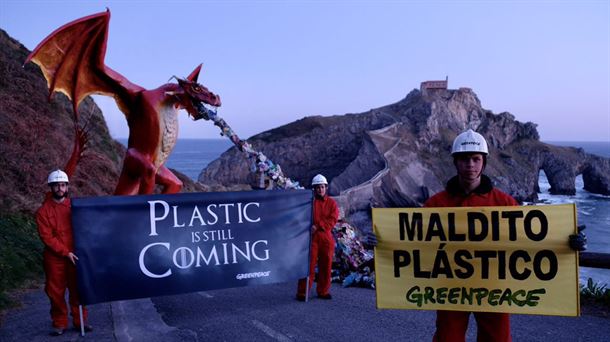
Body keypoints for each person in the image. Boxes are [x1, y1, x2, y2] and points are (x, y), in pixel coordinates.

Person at [423, 129, 587, 341]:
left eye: (475, 159)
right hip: (451, 287)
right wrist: (382, 242)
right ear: (456, 162)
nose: (470, 165)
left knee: (497, 339)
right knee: (448, 338)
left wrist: (569, 241)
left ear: (484, 162)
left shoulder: (505, 203)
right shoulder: (436, 204)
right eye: (464, 159)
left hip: (495, 287)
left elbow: (530, 239)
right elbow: (413, 240)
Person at [36, 128, 92, 336]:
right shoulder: (43, 211)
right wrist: (64, 252)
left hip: (76, 255)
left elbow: (88, 227)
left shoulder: (76, 206)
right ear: (51, 187)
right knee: (55, 292)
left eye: (63, 185)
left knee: (79, 290)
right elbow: (46, 237)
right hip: (56, 257)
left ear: (67, 187)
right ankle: (59, 323)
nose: (60, 188)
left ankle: (81, 322)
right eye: (56, 185)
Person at [296, 174, 339, 301]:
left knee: (326, 265)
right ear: (314, 189)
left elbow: (333, 219)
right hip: (311, 238)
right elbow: (302, 218)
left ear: (326, 187)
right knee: (308, 265)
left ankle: (323, 291)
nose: (320, 190)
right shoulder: (309, 203)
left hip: (326, 238)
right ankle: (302, 292)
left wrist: (318, 226)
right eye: (317, 187)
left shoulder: (332, 203)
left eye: (322, 187)